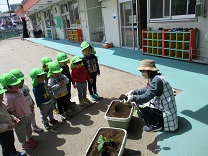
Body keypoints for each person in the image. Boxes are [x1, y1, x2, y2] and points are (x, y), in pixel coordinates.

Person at [125, 59, 178, 132]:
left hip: (166, 115)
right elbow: (147, 89)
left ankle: (155, 125)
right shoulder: (156, 77)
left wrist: (133, 97)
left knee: (141, 104)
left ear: (149, 71)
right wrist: (134, 92)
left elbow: (146, 97)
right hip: (165, 109)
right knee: (141, 99)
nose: (142, 73)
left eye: (143, 71)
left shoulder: (156, 81)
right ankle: (154, 120)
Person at [1, 73, 38, 150]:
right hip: (19, 118)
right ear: (7, 87)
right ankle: (24, 143)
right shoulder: (8, 97)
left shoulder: (18, 91)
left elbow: (24, 101)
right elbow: (10, 110)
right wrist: (16, 118)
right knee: (20, 131)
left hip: (26, 114)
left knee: (28, 127)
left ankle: (29, 138)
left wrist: (29, 107)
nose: (17, 85)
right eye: (14, 85)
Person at [10, 69, 44, 133]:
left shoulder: (25, 86)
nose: (22, 81)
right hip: (24, 109)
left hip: (30, 105)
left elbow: (28, 94)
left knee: (32, 116)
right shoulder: (17, 91)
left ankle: (34, 126)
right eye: (20, 80)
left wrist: (32, 101)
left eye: (23, 79)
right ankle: (27, 134)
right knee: (26, 121)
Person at [0, 86, 27, 156]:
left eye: (1, 95)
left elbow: (7, 114)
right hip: (2, 133)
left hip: (9, 129)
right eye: (0, 96)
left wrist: (13, 118)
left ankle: (14, 152)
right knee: (6, 146)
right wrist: (7, 126)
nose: (2, 97)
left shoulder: (2, 104)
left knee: (11, 141)